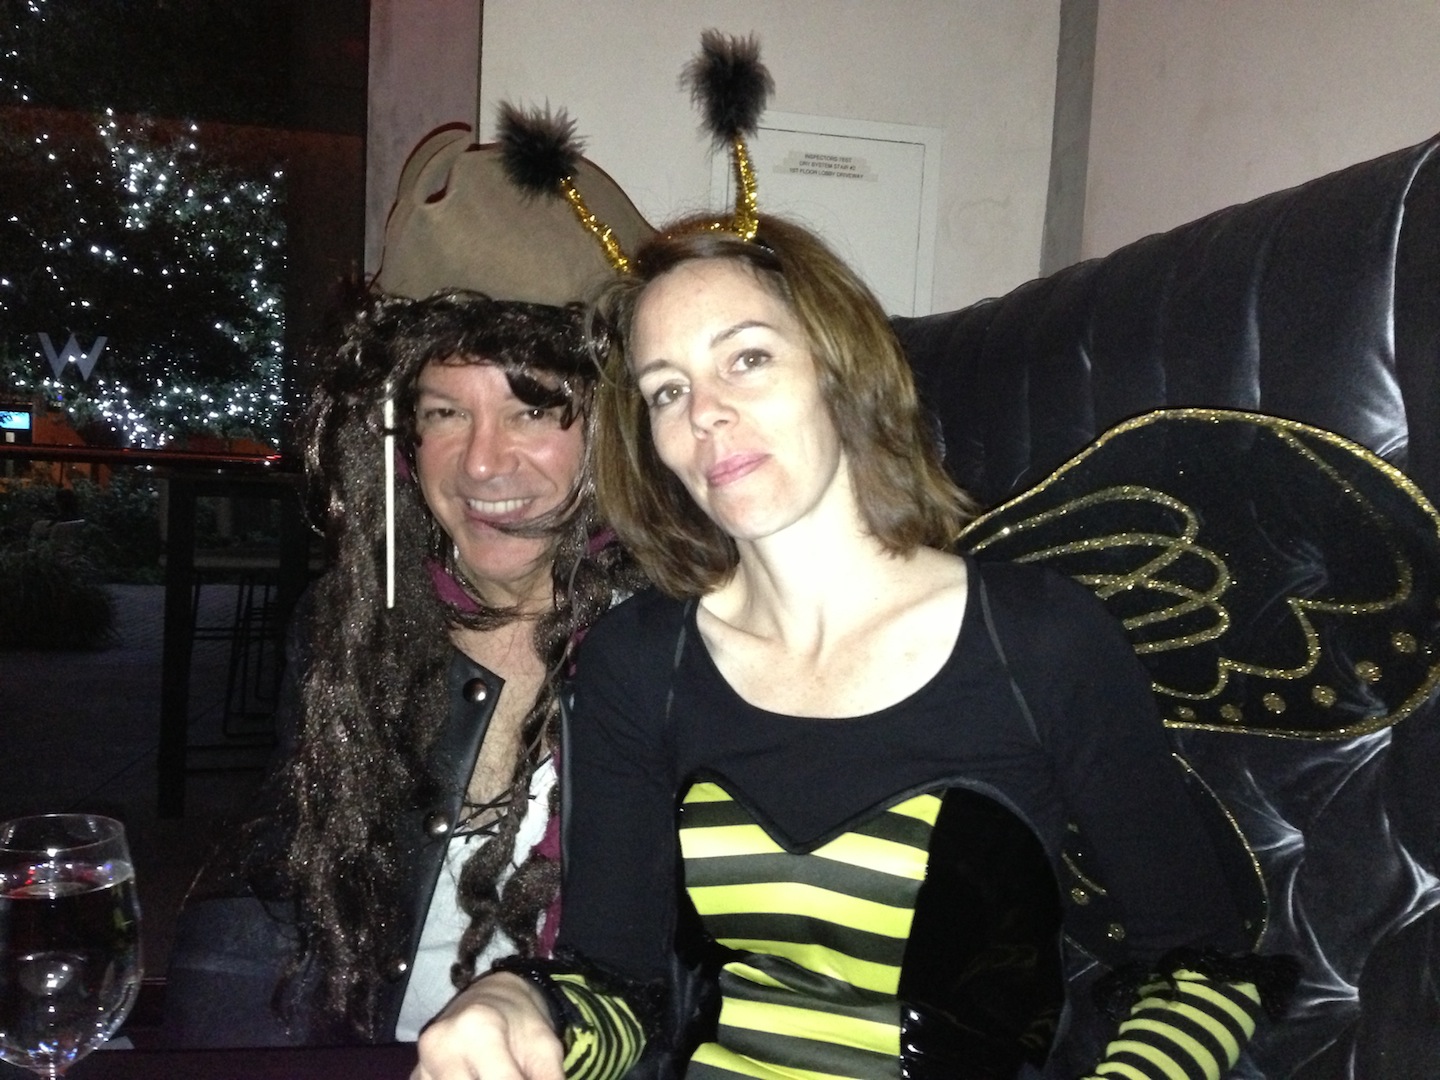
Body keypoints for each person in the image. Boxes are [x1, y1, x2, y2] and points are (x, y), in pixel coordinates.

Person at [413, 211, 1299, 1080]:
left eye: (747, 359)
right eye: (668, 391)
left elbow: (1205, 971)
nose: (706, 413)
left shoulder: (1041, 641)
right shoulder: (636, 662)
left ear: (842, 371)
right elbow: (621, 993)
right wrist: (525, 1007)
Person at [161, 118, 652, 1046]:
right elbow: (281, 898)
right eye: (444, 413)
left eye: (533, 410)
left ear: (612, 425)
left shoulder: (686, 648)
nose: (482, 463)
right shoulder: (350, 628)